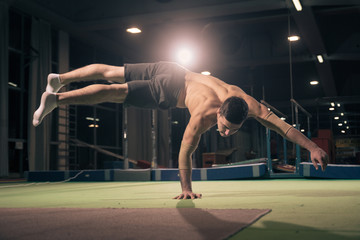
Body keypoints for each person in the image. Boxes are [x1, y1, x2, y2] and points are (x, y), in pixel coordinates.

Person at [33, 61, 328, 199]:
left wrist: (312, 147)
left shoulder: (248, 104)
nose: (225, 133)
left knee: (111, 71)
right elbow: (185, 152)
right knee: (118, 90)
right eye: (224, 127)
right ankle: (57, 99)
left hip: (175, 68)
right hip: (171, 87)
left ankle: (58, 78)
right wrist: (187, 189)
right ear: (218, 113)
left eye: (231, 131)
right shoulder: (202, 115)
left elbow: (283, 127)